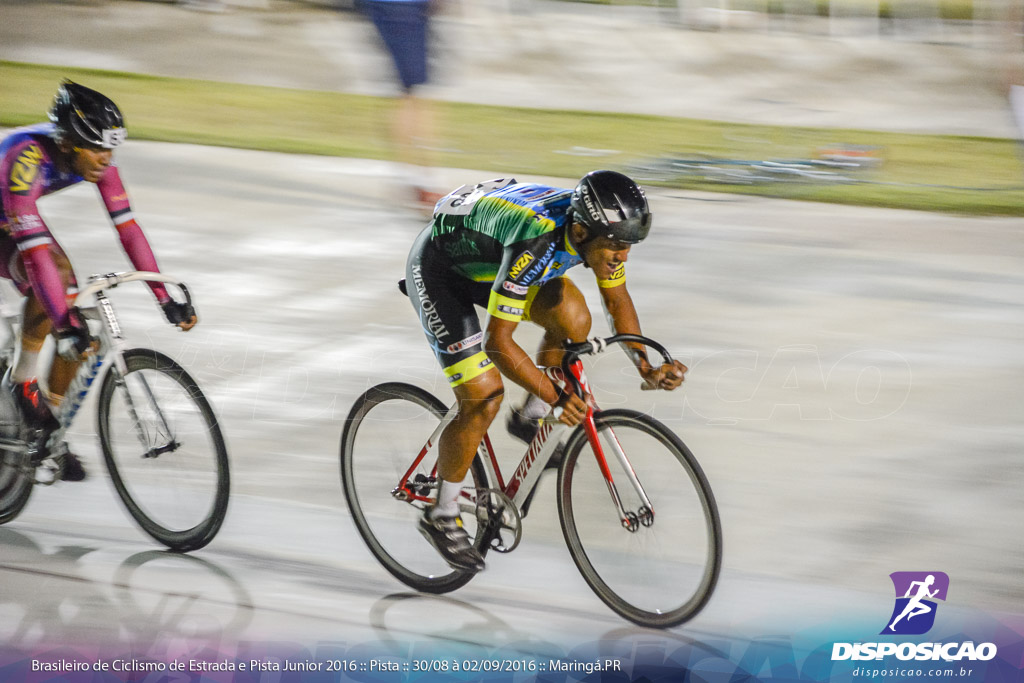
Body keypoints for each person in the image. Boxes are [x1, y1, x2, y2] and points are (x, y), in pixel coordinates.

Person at [405, 170, 688, 572]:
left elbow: (617, 298)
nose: (621, 256)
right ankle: (442, 514)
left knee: (575, 321)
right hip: (441, 270)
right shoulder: (535, 241)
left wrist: (645, 365)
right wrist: (559, 396)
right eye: (614, 246)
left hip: (493, 261)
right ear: (581, 231)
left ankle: (531, 417)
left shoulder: (598, 233)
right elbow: (499, 344)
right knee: (483, 396)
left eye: (628, 246)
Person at [0, 80, 197, 481]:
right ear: (70, 142)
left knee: (73, 316)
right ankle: (23, 385)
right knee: (56, 278)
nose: (106, 159)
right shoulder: (25, 160)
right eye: (97, 148)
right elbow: (37, 255)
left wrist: (163, 297)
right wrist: (63, 323)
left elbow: (129, 230)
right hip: (9, 212)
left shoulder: (97, 162)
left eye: (111, 148)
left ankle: (47, 428)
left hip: (11, 222)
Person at [361, 0, 443, 210]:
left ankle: (412, 179)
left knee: (410, 91)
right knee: (413, 92)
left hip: (398, 8)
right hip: (402, 8)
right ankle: (420, 183)